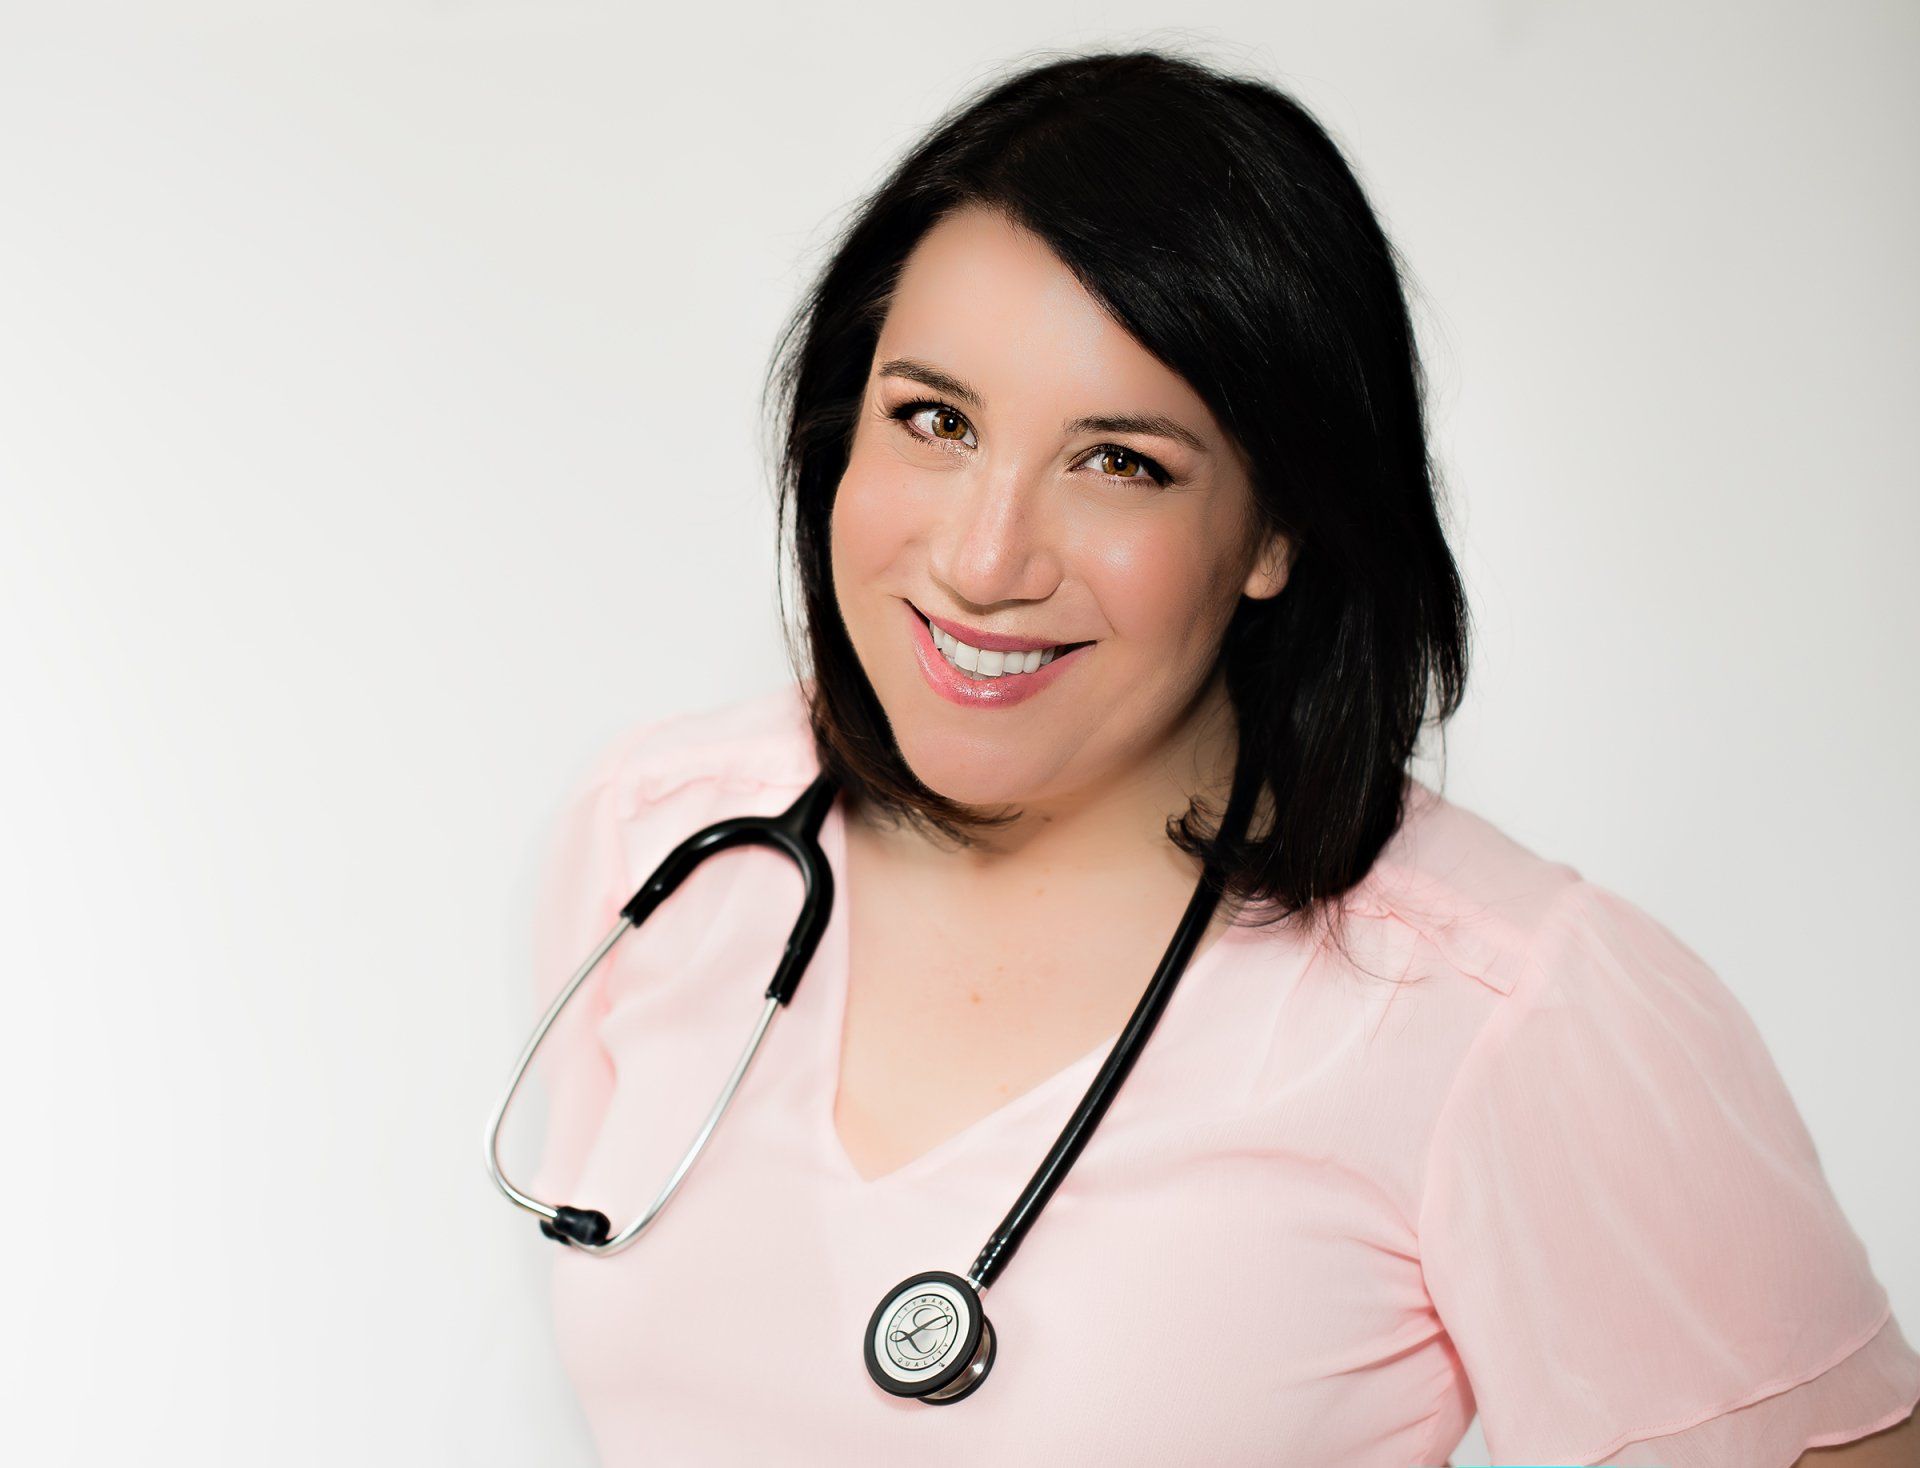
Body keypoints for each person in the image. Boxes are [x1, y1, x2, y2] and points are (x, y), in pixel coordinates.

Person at [520, 49, 1920, 1466]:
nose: (983, 557)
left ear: (1276, 529)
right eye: (934, 422)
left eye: (1119, 460)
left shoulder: (1513, 1009)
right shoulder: (663, 837)